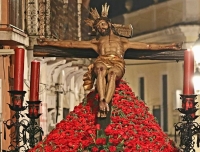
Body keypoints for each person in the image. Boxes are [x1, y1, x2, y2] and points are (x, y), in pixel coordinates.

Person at [37, 3, 182, 118]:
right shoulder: (96, 43)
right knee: (100, 69)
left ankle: (106, 101)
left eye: (102, 24)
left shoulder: (123, 42)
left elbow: (148, 46)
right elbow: (70, 44)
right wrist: (48, 43)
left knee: (112, 74)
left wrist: (170, 46)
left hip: (117, 62)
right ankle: (102, 100)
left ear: (109, 24)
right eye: (98, 26)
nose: (100, 27)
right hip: (102, 59)